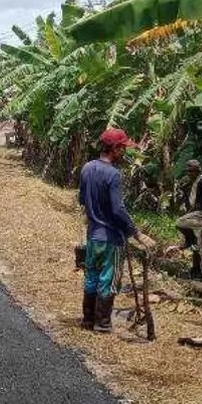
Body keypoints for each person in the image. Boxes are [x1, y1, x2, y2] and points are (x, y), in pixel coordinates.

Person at [79, 128, 156, 333]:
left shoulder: (87, 168)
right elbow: (117, 209)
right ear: (114, 149)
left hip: (93, 235)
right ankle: (102, 323)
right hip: (111, 238)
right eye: (122, 148)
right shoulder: (113, 174)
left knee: (91, 276)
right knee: (108, 279)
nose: (124, 152)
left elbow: (82, 200)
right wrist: (136, 233)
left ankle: (88, 319)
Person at [168, 160, 202, 279]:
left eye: (191, 171)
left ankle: (201, 231)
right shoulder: (194, 183)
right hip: (199, 216)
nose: (189, 174)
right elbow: (193, 205)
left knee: (180, 222)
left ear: (197, 171)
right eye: (188, 171)